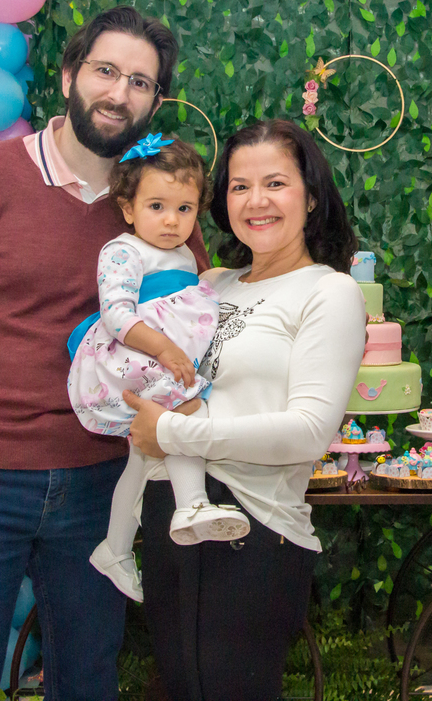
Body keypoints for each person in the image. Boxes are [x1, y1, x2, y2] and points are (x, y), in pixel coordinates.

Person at [0, 6, 206, 701]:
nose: (120, 93)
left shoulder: (163, 208)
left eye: (140, 82)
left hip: (98, 485)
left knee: (87, 682)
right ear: (67, 76)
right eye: (106, 71)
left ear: (156, 101)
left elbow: (196, 332)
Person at [121, 119, 367, 700]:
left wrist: (175, 434)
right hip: (169, 512)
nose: (256, 201)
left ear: (310, 195)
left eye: (275, 183)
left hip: (252, 529)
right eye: (238, 186)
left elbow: (308, 433)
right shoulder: (208, 283)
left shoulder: (329, 292)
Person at [67, 136, 250, 604]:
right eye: (157, 206)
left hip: (161, 358)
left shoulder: (186, 254)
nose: (172, 220)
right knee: (184, 409)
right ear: (127, 208)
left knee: (141, 456)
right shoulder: (123, 251)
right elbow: (117, 314)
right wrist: (166, 348)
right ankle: (191, 504)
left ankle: (115, 548)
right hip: (132, 358)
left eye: (185, 209)